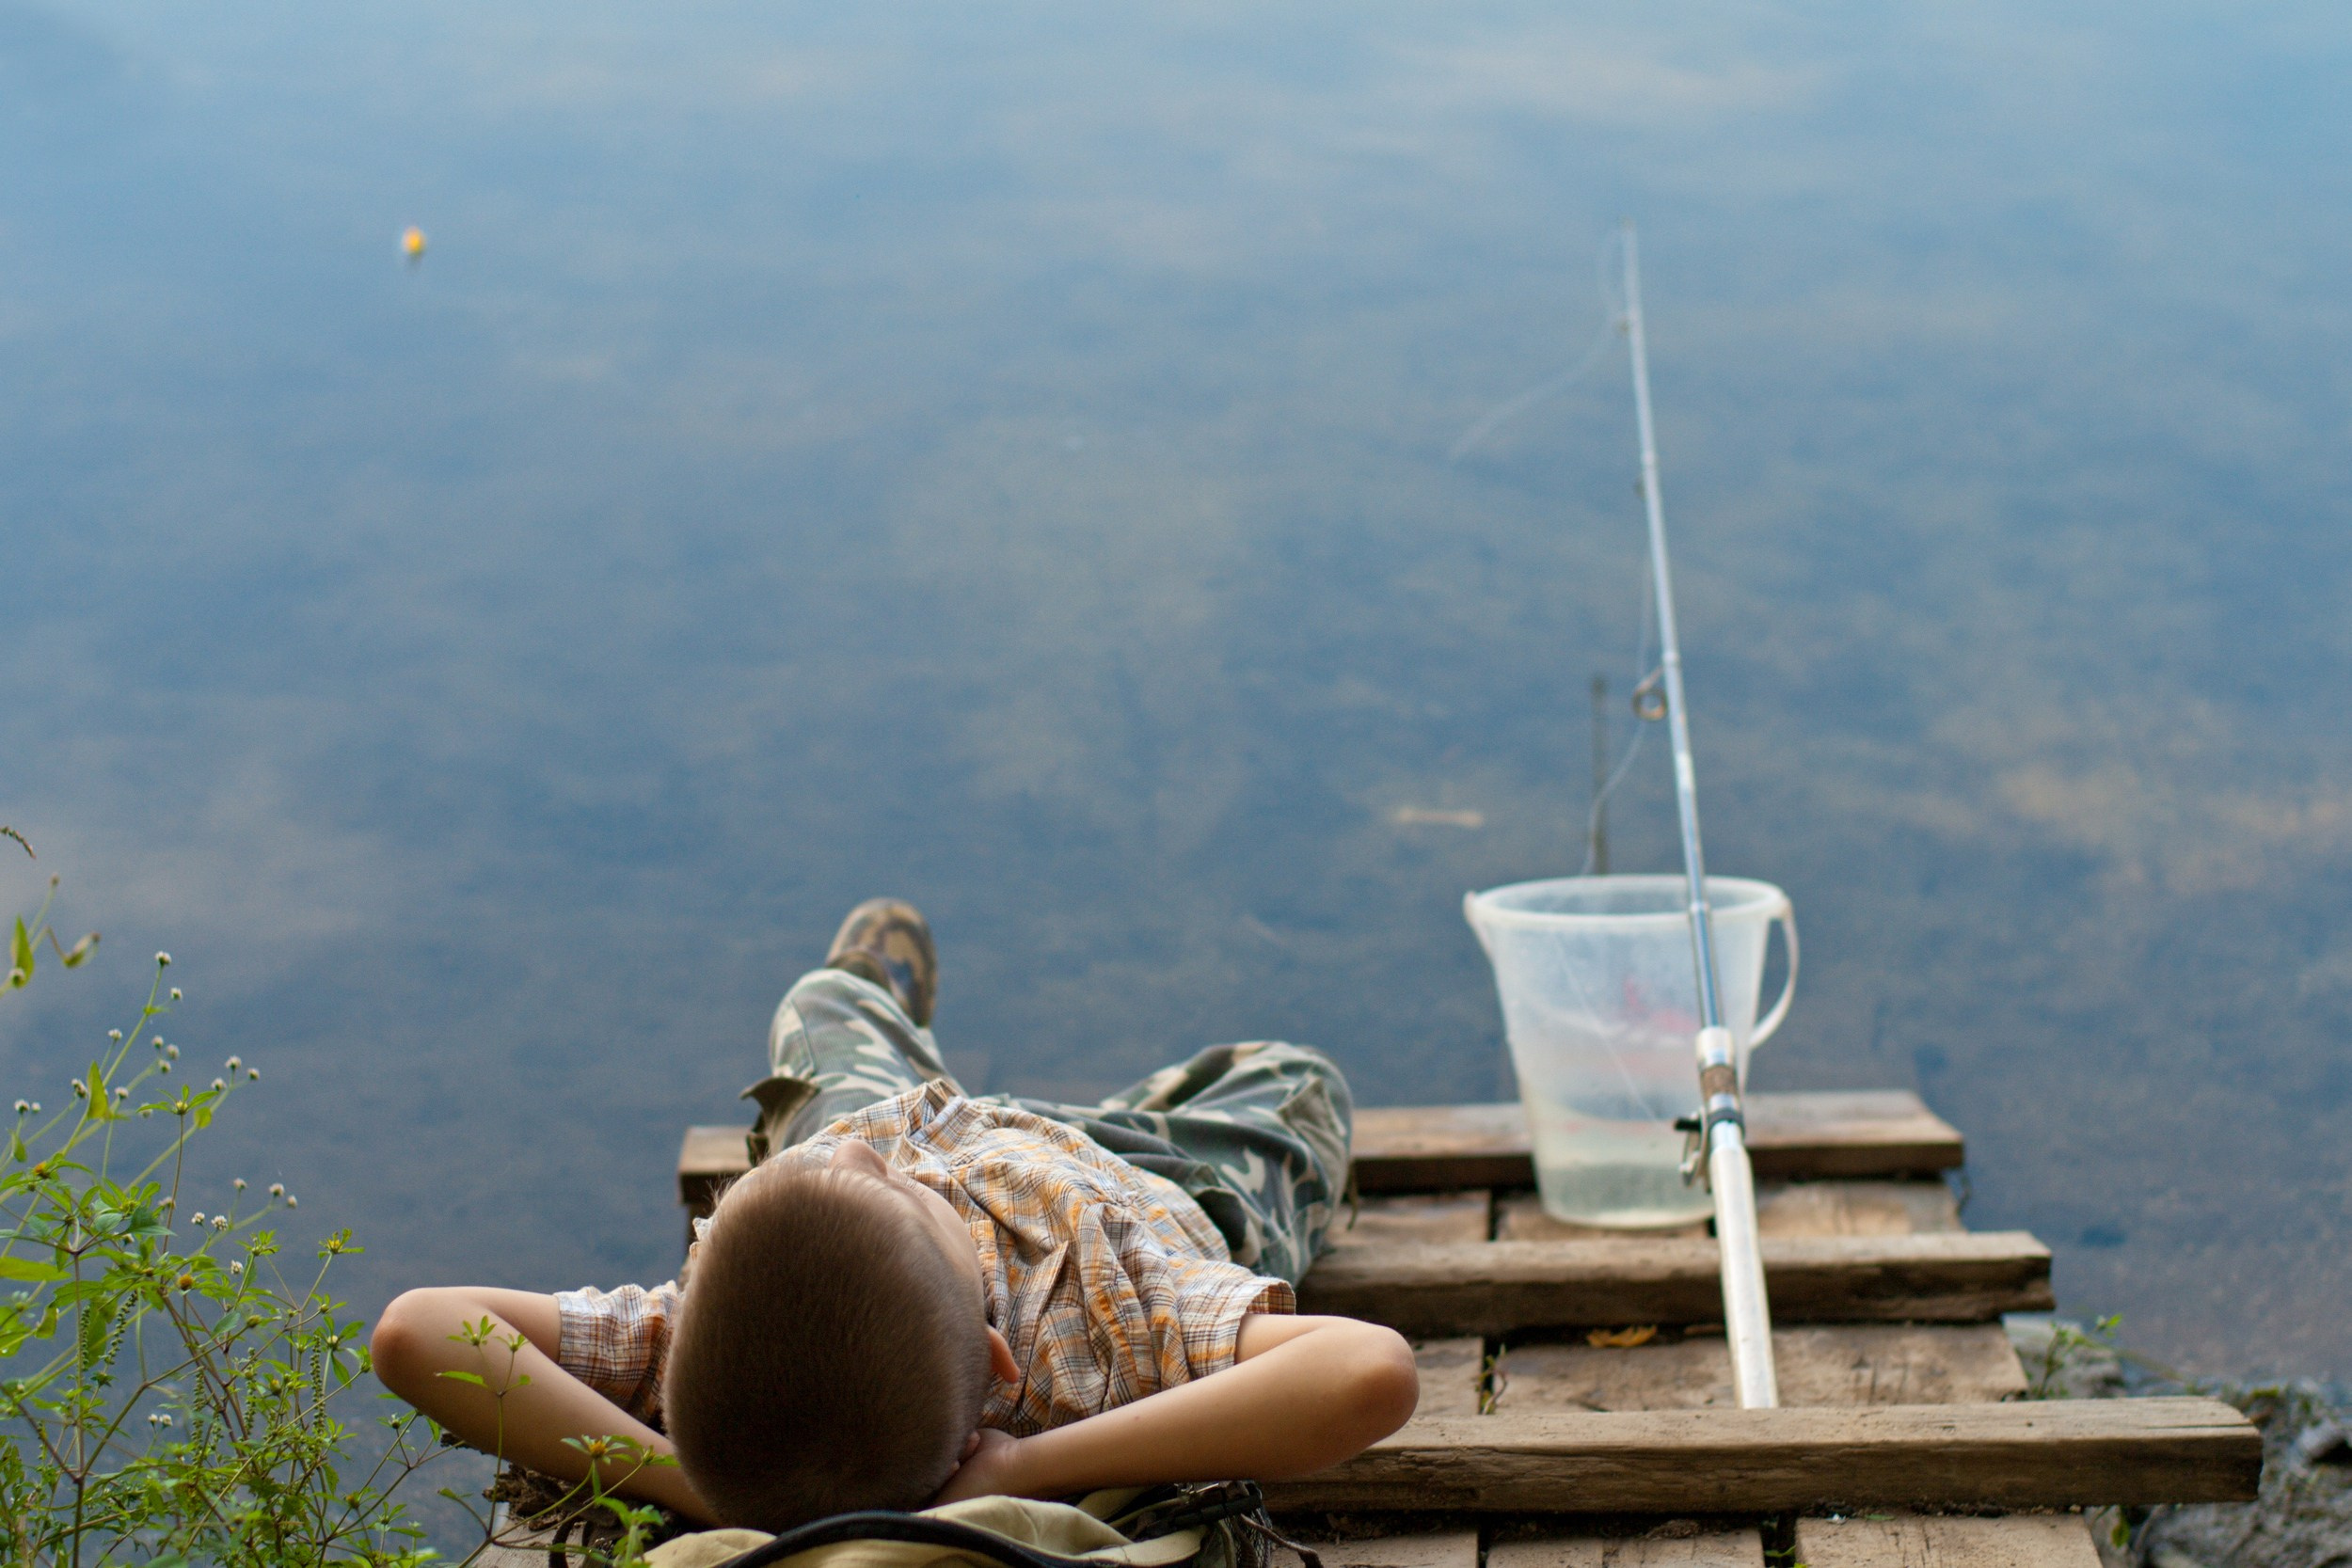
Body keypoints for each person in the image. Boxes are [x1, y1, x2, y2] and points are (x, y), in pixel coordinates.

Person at [371, 899, 1418, 1530]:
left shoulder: (703, 1337)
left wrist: (690, 1483)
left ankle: (865, 995)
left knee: (822, 1025)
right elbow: (1368, 1371)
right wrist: (1027, 1466)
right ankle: (917, 1037)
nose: (879, 1161)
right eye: (905, 1194)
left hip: (919, 1127)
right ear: (1001, 1371)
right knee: (1296, 1083)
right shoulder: (1110, 1330)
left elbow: (414, 1327)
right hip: (1147, 1184)